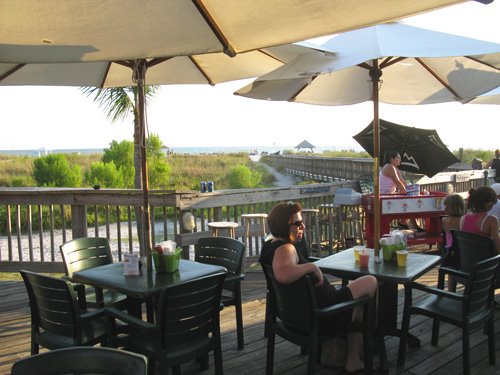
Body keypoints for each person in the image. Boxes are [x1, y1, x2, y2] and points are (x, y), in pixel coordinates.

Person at [259, 202, 377, 373]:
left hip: (298, 316)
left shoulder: (269, 245)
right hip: (322, 317)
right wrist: (312, 267)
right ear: (284, 226)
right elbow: (283, 274)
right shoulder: (286, 249)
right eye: (297, 223)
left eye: (302, 222)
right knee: (370, 284)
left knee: (358, 298)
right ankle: (359, 355)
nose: (303, 226)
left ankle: (348, 358)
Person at [460, 186, 500, 252]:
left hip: (467, 260)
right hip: (487, 260)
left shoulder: (463, 218)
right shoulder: (491, 220)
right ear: (489, 204)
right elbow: (498, 248)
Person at [441, 194, 465, 290]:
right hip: (461, 250)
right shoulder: (463, 220)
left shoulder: (444, 220)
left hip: (449, 251)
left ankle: (451, 291)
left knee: (451, 273)